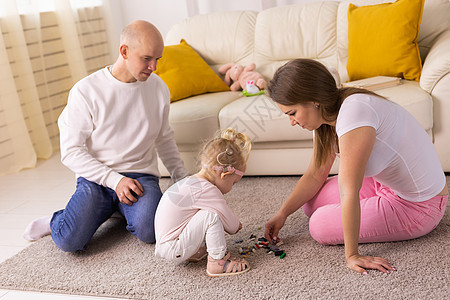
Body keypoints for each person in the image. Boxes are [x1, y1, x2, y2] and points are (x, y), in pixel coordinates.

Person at [264, 58, 448, 275]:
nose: (292, 122)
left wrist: (352, 255)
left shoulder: (354, 113)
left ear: (314, 100)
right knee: (310, 203)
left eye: (292, 113)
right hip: (384, 183)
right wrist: (282, 213)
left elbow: (348, 190)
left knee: (319, 225)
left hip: (420, 205)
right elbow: (316, 174)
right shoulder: (325, 116)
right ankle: (370, 207)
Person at [23, 20, 188, 252]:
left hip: (140, 177)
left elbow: (164, 138)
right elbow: (71, 152)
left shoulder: (158, 88)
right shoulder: (86, 91)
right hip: (96, 179)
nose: (154, 67)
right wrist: (115, 181)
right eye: (147, 59)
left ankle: (118, 209)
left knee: (151, 231)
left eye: (157, 59)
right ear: (124, 51)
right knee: (69, 242)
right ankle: (56, 219)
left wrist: (183, 181)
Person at [154, 128, 252, 277]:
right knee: (211, 215)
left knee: (202, 214)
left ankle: (194, 251)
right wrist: (236, 224)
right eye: (234, 182)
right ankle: (217, 263)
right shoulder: (207, 189)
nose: (232, 187)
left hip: (167, 244)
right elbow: (231, 226)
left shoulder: (191, 182)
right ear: (225, 175)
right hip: (173, 247)